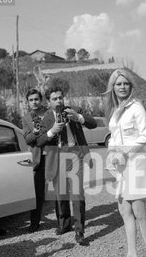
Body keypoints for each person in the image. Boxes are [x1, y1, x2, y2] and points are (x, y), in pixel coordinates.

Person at [104, 68, 146, 257]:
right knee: (124, 210)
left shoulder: (136, 107)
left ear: (130, 86)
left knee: (140, 212)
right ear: (113, 87)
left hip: (135, 163)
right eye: (118, 84)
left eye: (125, 83)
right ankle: (133, 255)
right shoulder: (115, 109)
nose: (122, 87)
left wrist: (125, 153)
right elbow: (115, 136)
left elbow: (145, 136)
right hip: (120, 165)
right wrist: (112, 152)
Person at [36, 86, 97, 244]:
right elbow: (39, 141)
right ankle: (64, 224)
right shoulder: (47, 118)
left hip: (75, 155)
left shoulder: (74, 111)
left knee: (77, 195)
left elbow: (93, 123)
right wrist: (52, 131)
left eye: (60, 98)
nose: (58, 101)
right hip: (56, 158)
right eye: (54, 99)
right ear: (48, 102)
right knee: (61, 195)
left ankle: (79, 230)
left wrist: (78, 117)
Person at [22, 88, 48, 233]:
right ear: (28, 102)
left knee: (60, 190)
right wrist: (35, 133)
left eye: (36, 99)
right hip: (38, 158)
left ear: (41, 99)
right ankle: (34, 222)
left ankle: (64, 222)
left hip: (53, 155)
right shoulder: (26, 118)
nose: (34, 102)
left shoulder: (50, 113)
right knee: (37, 193)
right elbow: (27, 139)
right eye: (31, 100)